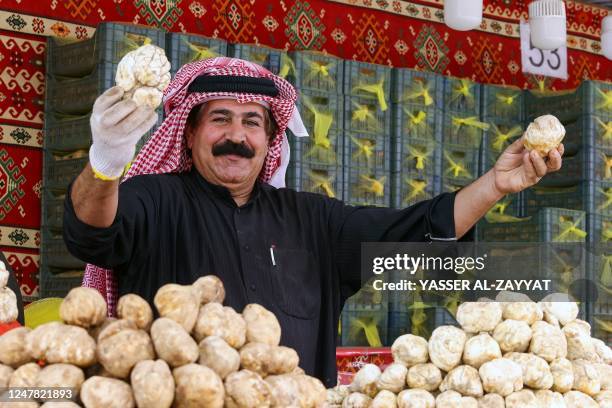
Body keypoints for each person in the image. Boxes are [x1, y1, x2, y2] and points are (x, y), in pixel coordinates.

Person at [63, 57, 563, 386]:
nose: (236, 136)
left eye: (252, 122)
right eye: (220, 119)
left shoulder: (314, 220)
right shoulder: (154, 200)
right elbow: (90, 229)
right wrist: (107, 158)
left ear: (269, 139)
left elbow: (413, 234)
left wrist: (495, 185)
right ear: (190, 133)